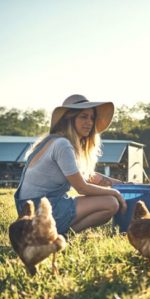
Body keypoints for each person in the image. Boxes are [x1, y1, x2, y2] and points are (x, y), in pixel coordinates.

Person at [14, 94, 128, 235]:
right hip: (39, 209)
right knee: (111, 203)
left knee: (109, 201)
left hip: (28, 210)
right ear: (69, 118)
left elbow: (88, 177)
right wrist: (115, 192)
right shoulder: (62, 144)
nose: (89, 122)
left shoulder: (53, 141)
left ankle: (58, 233)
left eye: (92, 118)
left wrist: (124, 185)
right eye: (83, 116)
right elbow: (81, 187)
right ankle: (61, 234)